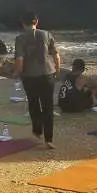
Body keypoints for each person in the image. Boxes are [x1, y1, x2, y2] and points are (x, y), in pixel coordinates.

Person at [13, 12, 60, 149]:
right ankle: (49, 139)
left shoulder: (20, 38)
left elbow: (20, 60)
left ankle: (37, 130)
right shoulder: (46, 34)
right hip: (47, 73)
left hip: (29, 76)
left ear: (23, 23)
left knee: (33, 103)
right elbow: (56, 55)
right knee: (48, 106)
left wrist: (16, 73)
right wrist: (57, 71)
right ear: (36, 21)